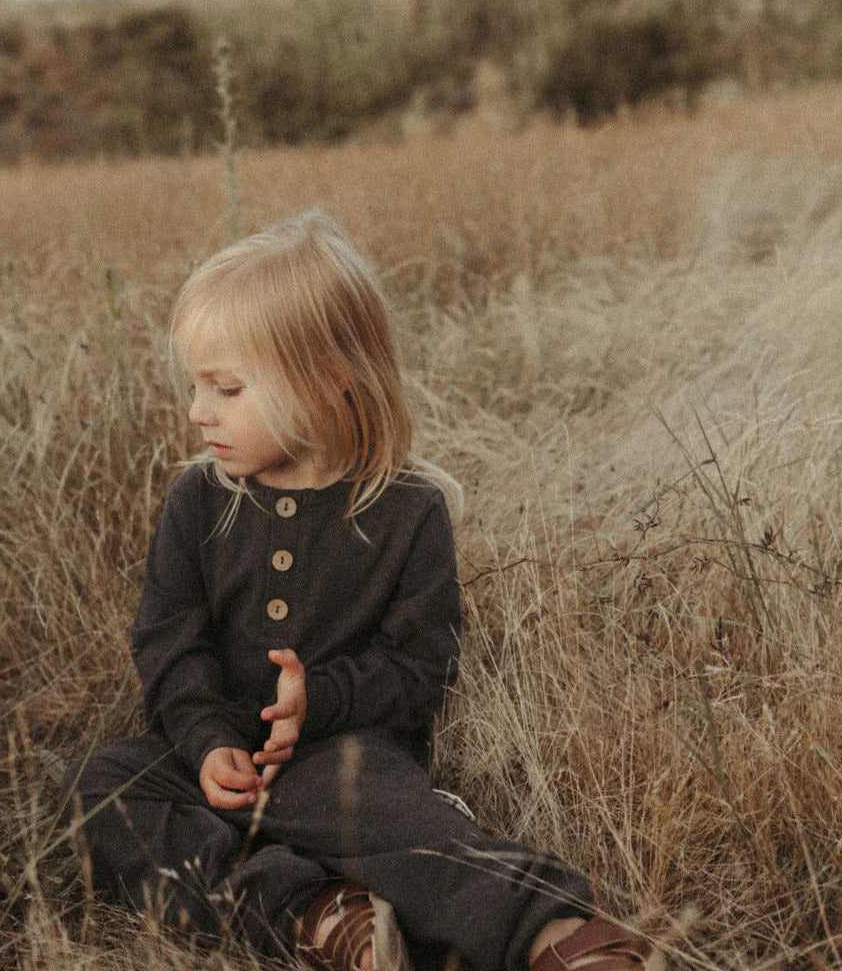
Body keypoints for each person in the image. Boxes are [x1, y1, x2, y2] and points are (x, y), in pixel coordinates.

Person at [62, 210, 652, 971]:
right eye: (196, 386)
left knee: (407, 828)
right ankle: (318, 915)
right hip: (214, 761)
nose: (197, 412)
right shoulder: (199, 501)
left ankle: (557, 934)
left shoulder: (408, 511)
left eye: (228, 388)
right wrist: (208, 743)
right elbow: (168, 640)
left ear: (328, 381)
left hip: (343, 757)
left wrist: (320, 705)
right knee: (96, 789)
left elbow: (419, 669)